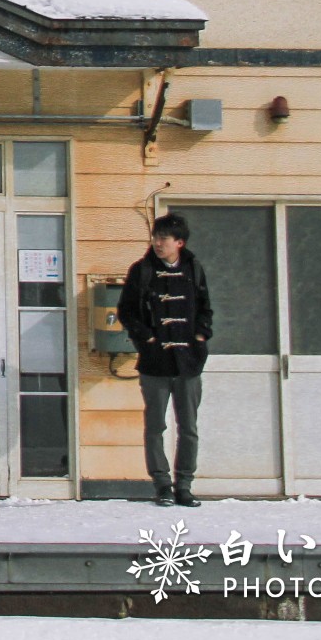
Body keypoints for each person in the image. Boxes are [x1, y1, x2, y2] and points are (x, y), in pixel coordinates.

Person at [118, 212, 213, 507]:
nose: (158, 243)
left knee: (188, 426)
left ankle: (184, 484)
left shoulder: (194, 269)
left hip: (188, 362)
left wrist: (199, 337)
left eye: (164, 238)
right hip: (155, 363)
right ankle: (161, 484)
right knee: (155, 425)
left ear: (179, 242)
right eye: (155, 237)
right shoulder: (142, 270)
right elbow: (126, 311)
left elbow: (206, 310)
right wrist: (146, 339)